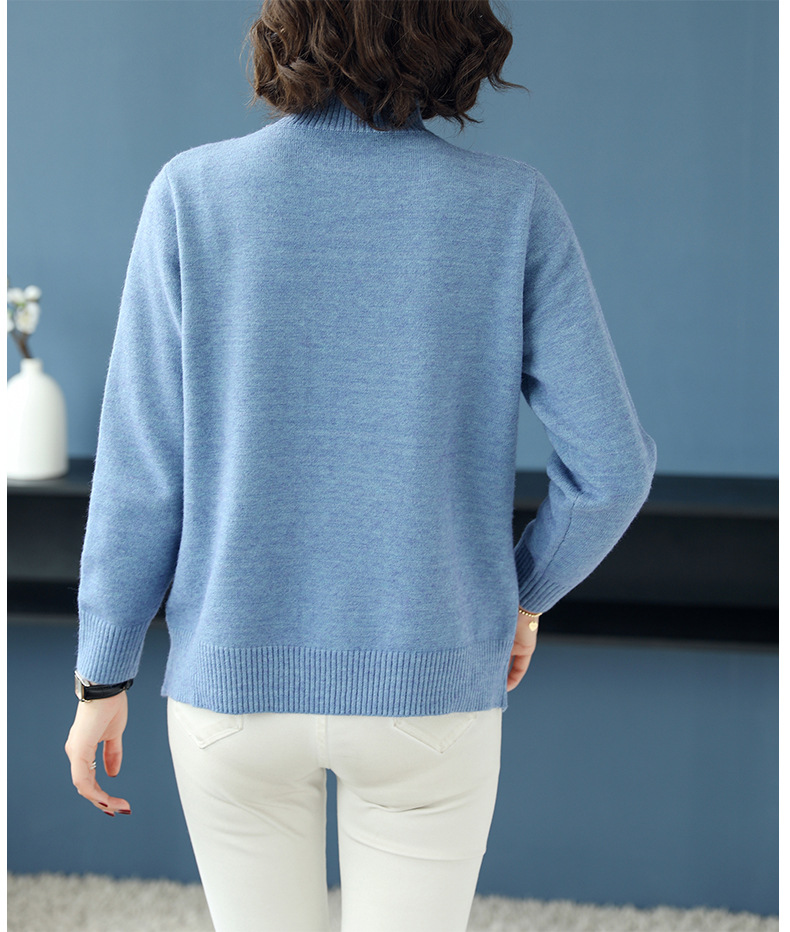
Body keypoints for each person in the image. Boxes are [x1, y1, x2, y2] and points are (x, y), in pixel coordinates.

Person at [64, 1, 657, 930]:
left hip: (230, 689)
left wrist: (103, 676)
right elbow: (612, 469)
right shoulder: (512, 206)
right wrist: (521, 597)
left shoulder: (192, 194)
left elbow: (142, 472)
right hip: (430, 686)